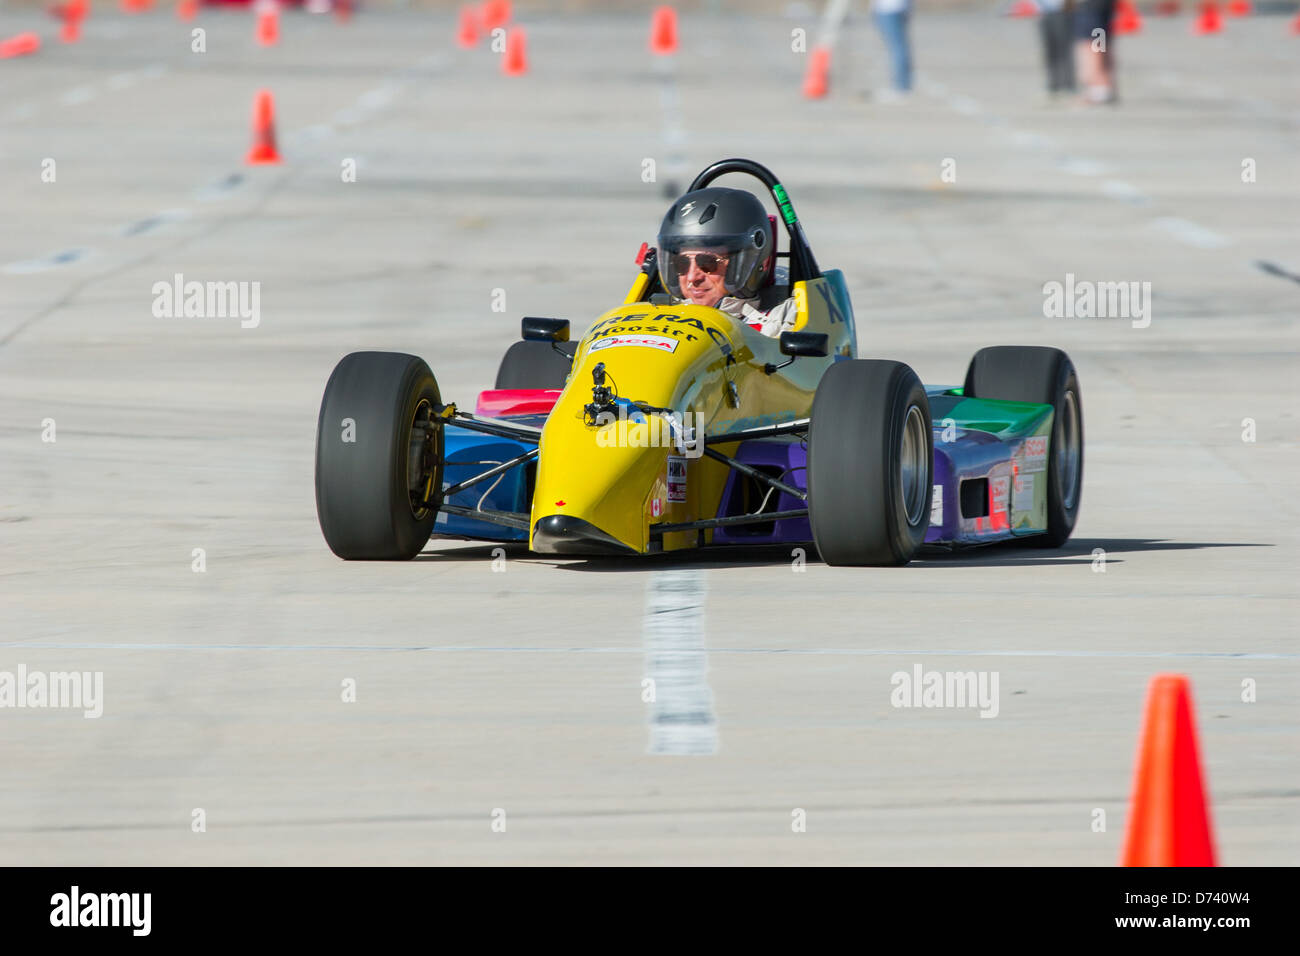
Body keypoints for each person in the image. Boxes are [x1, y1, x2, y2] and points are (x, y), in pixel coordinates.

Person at [655, 187, 798, 338]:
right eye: (681, 264)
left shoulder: (779, 323)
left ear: (747, 264)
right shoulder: (655, 313)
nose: (692, 277)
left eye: (707, 263)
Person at [872, 0, 914, 99]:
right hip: (899, 8)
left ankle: (901, 86)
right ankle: (903, 84)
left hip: (888, 8)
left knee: (897, 48)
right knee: (899, 46)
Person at [1039, 0, 1075, 100]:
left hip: (1061, 11)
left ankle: (1068, 84)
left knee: (1064, 50)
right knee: (1050, 52)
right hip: (1044, 11)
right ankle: (1054, 84)